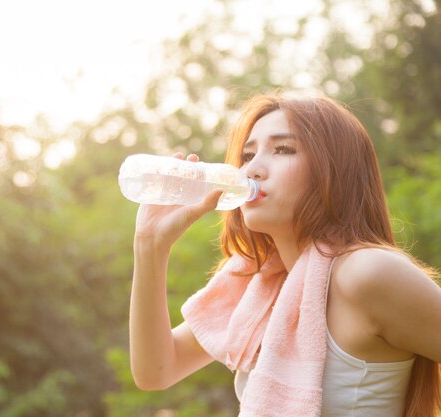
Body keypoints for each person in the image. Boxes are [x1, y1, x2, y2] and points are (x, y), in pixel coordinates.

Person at [128, 94, 441, 417]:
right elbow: (156, 372)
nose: (252, 169)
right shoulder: (258, 284)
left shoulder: (366, 272)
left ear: (333, 171)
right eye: (247, 155)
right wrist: (149, 246)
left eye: (283, 149)